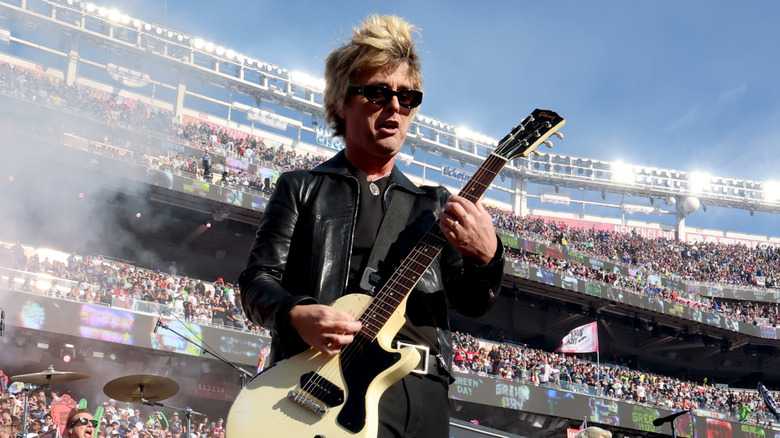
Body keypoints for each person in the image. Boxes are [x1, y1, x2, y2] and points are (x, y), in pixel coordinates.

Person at [238, 14, 504, 438]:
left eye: (408, 97)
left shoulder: (434, 204)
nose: (395, 107)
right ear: (343, 102)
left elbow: (472, 301)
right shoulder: (301, 188)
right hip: (321, 389)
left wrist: (488, 258)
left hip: (420, 396)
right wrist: (295, 313)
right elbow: (256, 281)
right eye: (379, 92)